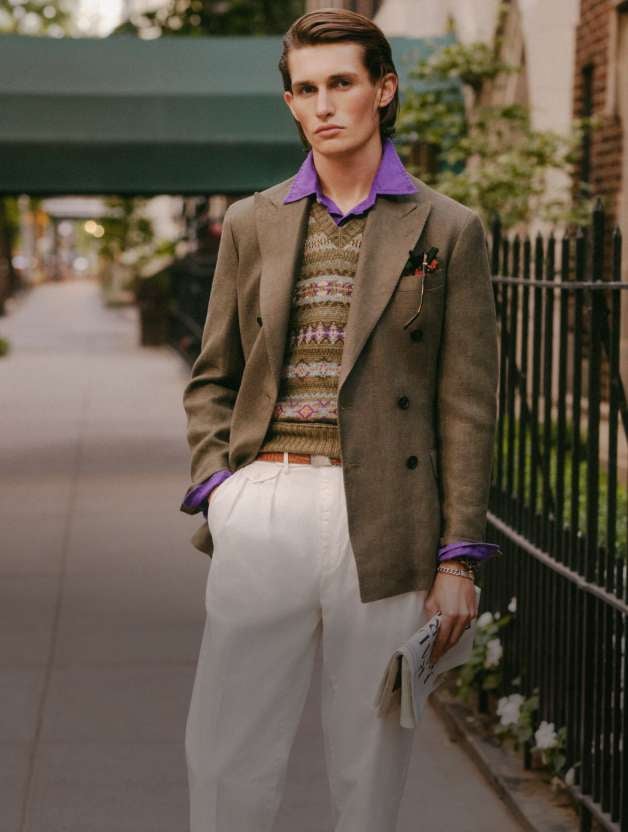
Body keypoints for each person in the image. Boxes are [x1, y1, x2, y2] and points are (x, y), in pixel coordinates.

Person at [180, 8, 501, 831]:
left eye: (341, 83)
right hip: (268, 500)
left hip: (388, 517)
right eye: (306, 89)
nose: (323, 105)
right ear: (291, 103)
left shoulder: (449, 228)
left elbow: (467, 403)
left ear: (382, 90)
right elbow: (214, 373)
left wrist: (458, 556)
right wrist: (219, 488)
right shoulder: (252, 222)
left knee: (370, 760)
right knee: (226, 752)